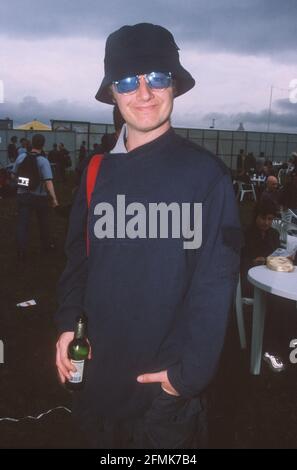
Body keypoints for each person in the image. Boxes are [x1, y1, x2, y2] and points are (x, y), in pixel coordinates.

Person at [55, 23, 240, 449]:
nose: (143, 93)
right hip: (98, 381)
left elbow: (214, 283)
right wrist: (67, 325)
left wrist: (186, 376)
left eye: (156, 77)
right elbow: (76, 261)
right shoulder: (96, 172)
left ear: (173, 85)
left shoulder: (205, 177)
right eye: (126, 81)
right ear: (113, 94)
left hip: (164, 397)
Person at [241, 200, 294, 372]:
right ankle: (270, 346)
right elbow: (237, 261)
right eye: (263, 218)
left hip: (272, 276)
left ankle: (285, 338)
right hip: (251, 280)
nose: (266, 223)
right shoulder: (246, 234)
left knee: (286, 299)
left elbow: (277, 253)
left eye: (270, 219)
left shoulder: (273, 234)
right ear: (256, 216)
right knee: (279, 300)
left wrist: (285, 258)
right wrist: (251, 261)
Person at [12, 134, 59, 262]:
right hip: (39, 197)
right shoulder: (43, 161)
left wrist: (24, 184)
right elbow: (48, 182)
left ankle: (21, 251)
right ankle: (46, 246)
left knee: (22, 224)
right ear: (43, 144)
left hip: (23, 195)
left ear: (31, 143)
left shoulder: (22, 157)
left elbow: (13, 175)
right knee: (43, 222)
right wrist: (54, 199)